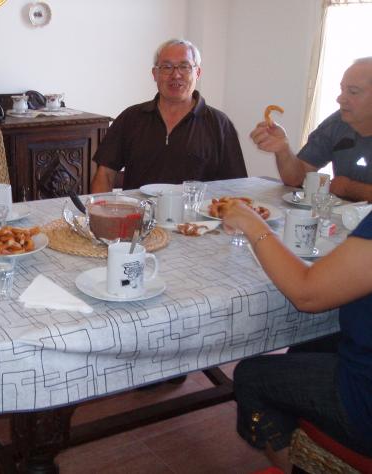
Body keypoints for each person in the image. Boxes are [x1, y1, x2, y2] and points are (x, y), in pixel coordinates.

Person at [221, 200, 372, 470]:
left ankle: (302, 464)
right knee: (311, 343)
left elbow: (306, 294)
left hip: (364, 400)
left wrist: (254, 224)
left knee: (250, 377)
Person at [91, 39, 247, 193]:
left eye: (184, 66)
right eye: (167, 67)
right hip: (138, 210)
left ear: (197, 73)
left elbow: (236, 187)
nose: (176, 75)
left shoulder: (219, 124)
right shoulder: (131, 118)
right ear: (155, 74)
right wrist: (101, 209)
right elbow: (105, 175)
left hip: (197, 210)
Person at [250, 57, 372, 203]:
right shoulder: (337, 124)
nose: (340, 99)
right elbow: (297, 179)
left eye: (353, 92)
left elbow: (343, 187)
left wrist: (349, 188)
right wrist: (283, 149)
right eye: (342, 90)